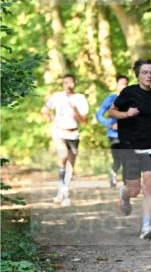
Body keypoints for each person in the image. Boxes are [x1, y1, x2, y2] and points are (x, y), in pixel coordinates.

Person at [108, 59, 151, 240]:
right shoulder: (128, 92)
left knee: (148, 186)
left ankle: (147, 226)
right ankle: (124, 194)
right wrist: (126, 114)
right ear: (138, 74)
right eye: (145, 72)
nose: (149, 75)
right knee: (134, 190)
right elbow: (111, 112)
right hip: (130, 146)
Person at [43, 74, 89, 206]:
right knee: (63, 157)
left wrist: (76, 112)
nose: (68, 85)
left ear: (74, 83)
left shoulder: (80, 98)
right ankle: (63, 192)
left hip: (73, 134)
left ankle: (63, 192)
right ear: (63, 84)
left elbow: (85, 121)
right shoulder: (57, 97)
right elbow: (45, 109)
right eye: (65, 82)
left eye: (70, 82)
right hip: (59, 132)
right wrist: (50, 119)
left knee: (70, 165)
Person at [95, 74, 129, 188]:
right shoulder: (110, 99)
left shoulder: (131, 100)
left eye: (126, 84)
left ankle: (126, 184)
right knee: (118, 160)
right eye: (121, 84)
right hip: (113, 134)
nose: (123, 86)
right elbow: (99, 114)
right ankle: (113, 173)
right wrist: (109, 124)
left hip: (128, 134)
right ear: (116, 85)